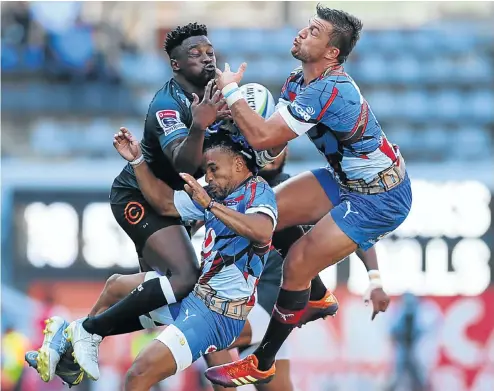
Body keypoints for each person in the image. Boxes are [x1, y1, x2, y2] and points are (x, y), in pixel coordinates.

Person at [205, 5, 412, 387]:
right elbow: (267, 143)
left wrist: (231, 91)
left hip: (381, 198)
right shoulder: (297, 82)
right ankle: (315, 295)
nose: (302, 33)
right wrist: (233, 120)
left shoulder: (331, 91)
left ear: (332, 53)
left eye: (315, 32)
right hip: (346, 179)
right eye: (307, 26)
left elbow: (265, 138)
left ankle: (261, 362)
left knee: (296, 262)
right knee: (268, 212)